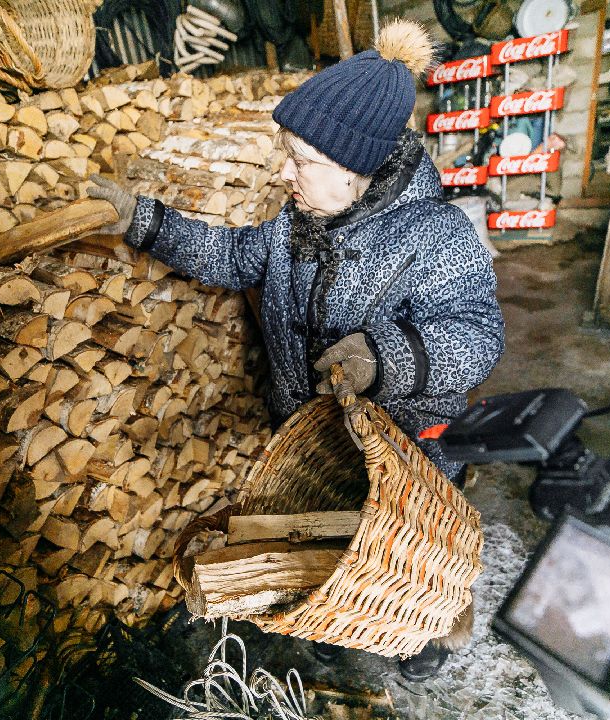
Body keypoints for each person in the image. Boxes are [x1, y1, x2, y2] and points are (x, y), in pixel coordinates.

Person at [88, 19, 505, 681]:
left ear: (358, 171)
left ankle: (427, 633)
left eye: (302, 161)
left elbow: (478, 338)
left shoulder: (436, 238)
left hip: (401, 450)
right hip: (313, 436)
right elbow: (229, 256)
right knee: (339, 550)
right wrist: (143, 220)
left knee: (413, 558)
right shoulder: (294, 223)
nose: (284, 174)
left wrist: (383, 358)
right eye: (286, 154)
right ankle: (344, 617)